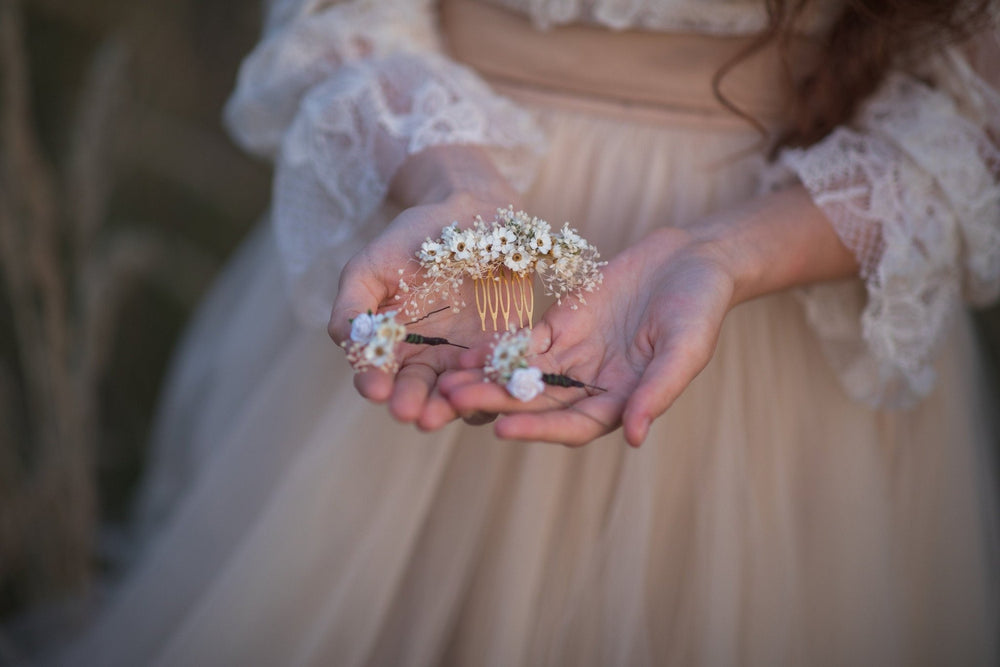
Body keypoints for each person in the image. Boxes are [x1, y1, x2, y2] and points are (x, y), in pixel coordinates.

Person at [58, 0, 999, 665]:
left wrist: (725, 256)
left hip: (777, 318)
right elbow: (340, 15)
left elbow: (970, 132)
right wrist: (453, 185)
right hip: (449, 241)